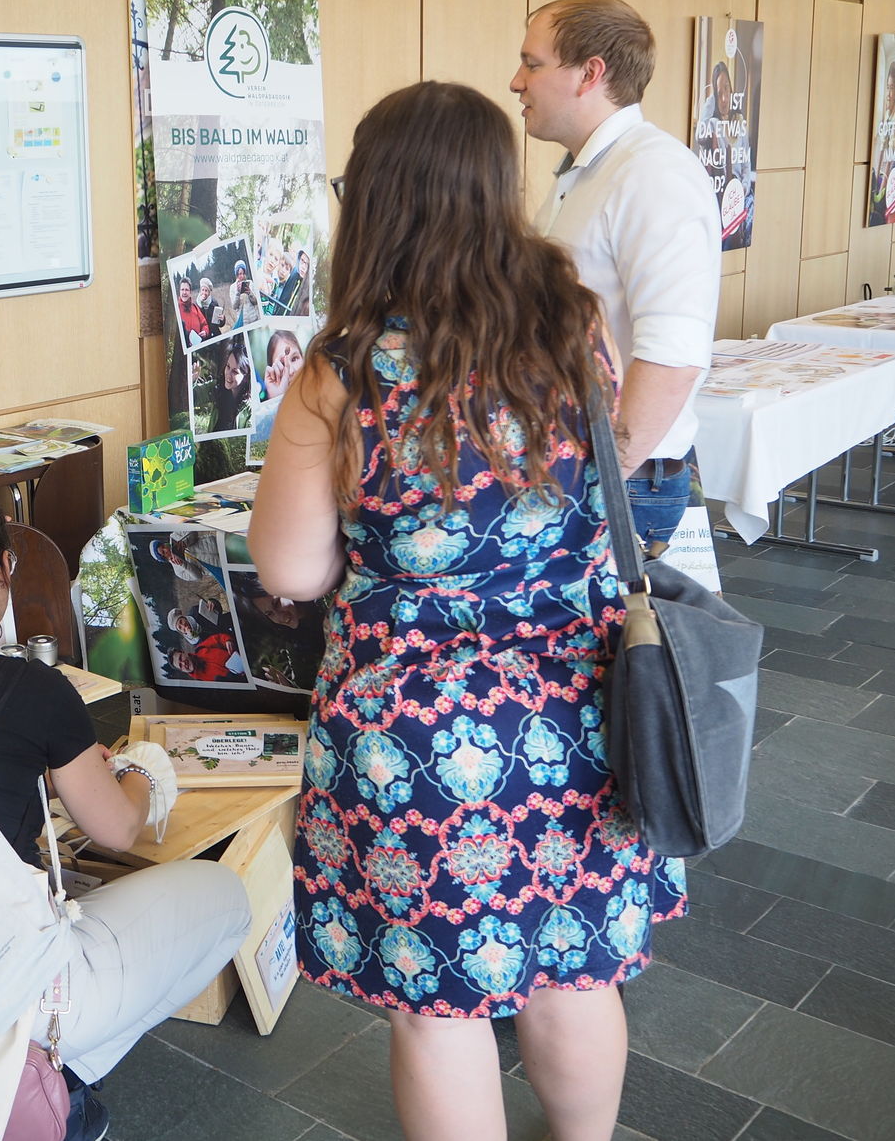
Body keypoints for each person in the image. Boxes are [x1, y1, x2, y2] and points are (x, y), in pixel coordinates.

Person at [248, 82, 685, 1141]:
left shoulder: (345, 372)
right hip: (580, 706)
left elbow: (290, 569)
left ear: (376, 201)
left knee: (440, 1002)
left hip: (415, 734)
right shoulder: (573, 328)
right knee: (572, 964)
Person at [0, 486, 250, 1140]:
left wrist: (35, 776)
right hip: (4, 979)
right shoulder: (31, 687)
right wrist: (142, 770)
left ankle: (17, 1082)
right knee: (227, 899)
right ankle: (54, 1088)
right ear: (5, 567)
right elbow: (117, 827)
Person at [511, 0, 719, 547]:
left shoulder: (653, 174)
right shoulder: (587, 171)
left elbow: (674, 356)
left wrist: (598, 484)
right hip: (572, 467)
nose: (516, 82)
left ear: (590, 74)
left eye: (532, 64)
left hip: (617, 480)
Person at [211, 335, 251, 433]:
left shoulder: (249, 409)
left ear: (246, 377)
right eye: (228, 366)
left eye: (235, 371)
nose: (228, 374)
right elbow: (195, 395)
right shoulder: (217, 387)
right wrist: (193, 380)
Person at [174, 275, 210, 346]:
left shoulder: (195, 307)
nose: (184, 292)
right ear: (179, 291)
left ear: (190, 292)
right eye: (182, 290)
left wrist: (205, 332)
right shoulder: (175, 309)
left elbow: (205, 324)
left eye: (186, 290)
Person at [228, 259, 261, 329]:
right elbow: (234, 306)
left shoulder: (250, 283)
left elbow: (256, 302)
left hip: (254, 319)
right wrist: (238, 292)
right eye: (240, 274)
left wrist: (249, 293)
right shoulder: (232, 287)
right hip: (243, 323)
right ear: (236, 274)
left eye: (243, 273)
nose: (242, 276)